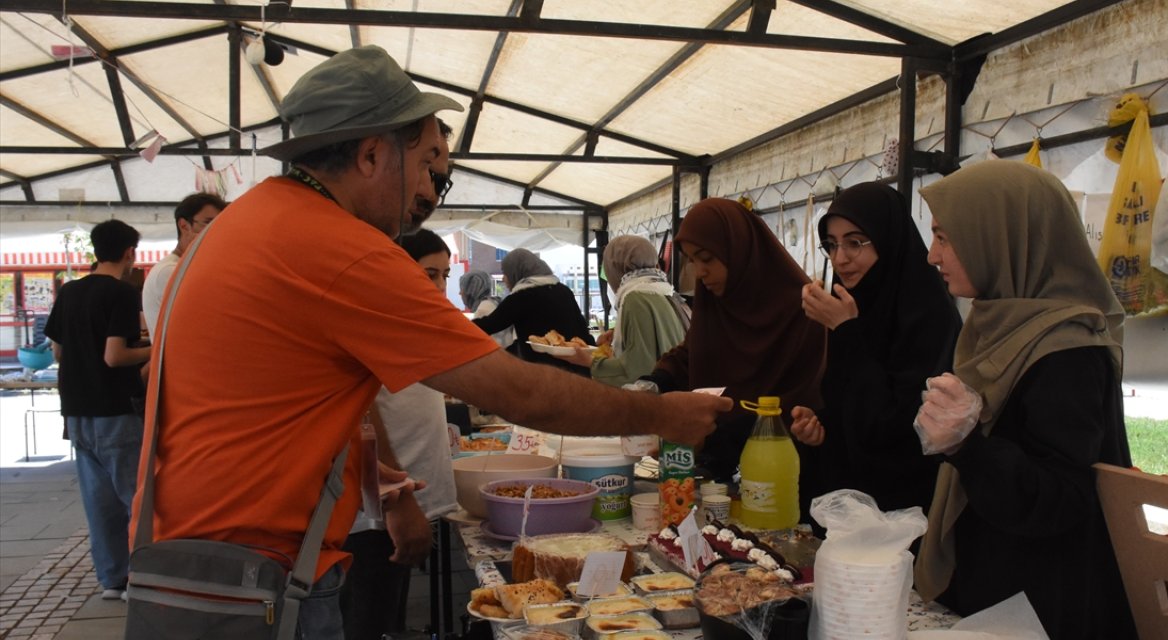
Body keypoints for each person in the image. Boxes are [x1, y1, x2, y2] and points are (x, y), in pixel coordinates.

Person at [133, 45, 729, 637]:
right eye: (424, 162)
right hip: (252, 571)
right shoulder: (340, 250)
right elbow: (515, 389)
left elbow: (318, 405)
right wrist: (663, 414)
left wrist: (390, 492)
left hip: (190, 549)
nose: (428, 186)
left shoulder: (248, 220)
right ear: (371, 154)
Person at [912, 160, 1135, 638]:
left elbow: (1061, 500)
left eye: (946, 237)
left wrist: (967, 446)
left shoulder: (1067, 350)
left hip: (1043, 608)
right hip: (996, 589)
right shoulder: (994, 324)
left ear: (1002, 236)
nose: (932, 256)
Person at [790, 183, 961, 514]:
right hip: (849, 499)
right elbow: (853, 400)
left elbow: (899, 423)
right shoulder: (857, 306)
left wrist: (846, 330)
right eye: (832, 245)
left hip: (904, 508)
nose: (841, 258)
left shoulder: (927, 314)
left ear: (888, 240)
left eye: (855, 243)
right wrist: (822, 426)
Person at [643, 197, 826, 481]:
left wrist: (723, 433)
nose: (700, 273)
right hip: (711, 465)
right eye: (692, 261)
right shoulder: (716, 301)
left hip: (776, 469)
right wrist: (655, 382)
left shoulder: (802, 307)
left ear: (739, 249)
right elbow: (691, 355)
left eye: (707, 259)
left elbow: (802, 397)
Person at [340, 229, 458, 640]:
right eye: (428, 275)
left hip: (404, 501)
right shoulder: (373, 325)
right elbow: (361, 415)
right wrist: (393, 495)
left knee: (388, 614)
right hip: (379, 512)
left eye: (444, 275)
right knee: (368, 618)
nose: (440, 286)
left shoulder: (415, 324)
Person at [45, 219, 152, 601]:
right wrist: (156, 349)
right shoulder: (121, 294)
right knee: (134, 498)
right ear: (129, 253)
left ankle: (113, 579)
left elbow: (57, 351)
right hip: (115, 410)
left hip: (75, 410)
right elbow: (115, 356)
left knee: (98, 501)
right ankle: (142, 577)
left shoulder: (70, 291)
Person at [554, 235, 689, 387]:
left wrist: (590, 361)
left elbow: (636, 369)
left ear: (615, 267)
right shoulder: (663, 290)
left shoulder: (635, 298)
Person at [472, 248, 595, 373]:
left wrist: (456, 324)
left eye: (505, 273)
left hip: (547, 373)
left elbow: (490, 324)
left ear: (516, 271)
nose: (503, 279)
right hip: (578, 368)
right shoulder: (563, 290)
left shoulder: (522, 296)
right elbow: (582, 327)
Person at [141, 192, 226, 333]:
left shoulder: (185, 267)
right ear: (184, 226)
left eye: (220, 224)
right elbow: (209, 320)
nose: (215, 231)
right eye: (209, 223)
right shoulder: (170, 271)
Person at [458, 270, 514, 348]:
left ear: (471, 291)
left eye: (462, 288)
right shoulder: (494, 302)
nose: (460, 293)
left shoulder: (483, 310)